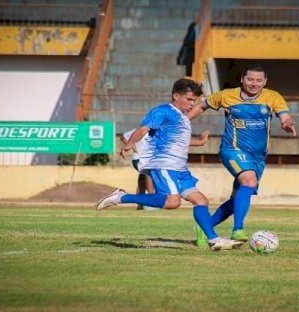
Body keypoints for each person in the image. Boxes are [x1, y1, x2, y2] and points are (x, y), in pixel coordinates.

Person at [96, 78, 243, 251]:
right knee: (173, 202)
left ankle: (213, 239)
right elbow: (144, 128)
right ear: (176, 96)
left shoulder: (183, 118)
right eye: (189, 99)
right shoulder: (163, 110)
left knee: (201, 200)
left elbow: (177, 141)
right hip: (164, 164)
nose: (192, 104)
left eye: (194, 101)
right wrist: (129, 143)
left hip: (180, 168)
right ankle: (121, 197)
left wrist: (199, 142)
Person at [188, 63, 297, 246]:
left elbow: (284, 117)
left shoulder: (273, 97)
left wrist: (287, 124)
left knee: (237, 198)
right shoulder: (226, 95)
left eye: (258, 80)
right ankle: (238, 230)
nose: (254, 83)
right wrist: (182, 120)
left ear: (265, 81)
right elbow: (202, 106)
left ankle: (204, 226)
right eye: (250, 79)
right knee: (249, 181)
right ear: (242, 79)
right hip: (232, 149)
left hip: (258, 157)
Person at [120, 130, 155, 210]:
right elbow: (122, 137)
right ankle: (151, 201)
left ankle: (140, 205)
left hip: (143, 160)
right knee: (149, 174)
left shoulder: (155, 131)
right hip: (140, 159)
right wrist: (132, 146)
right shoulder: (140, 130)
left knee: (142, 181)